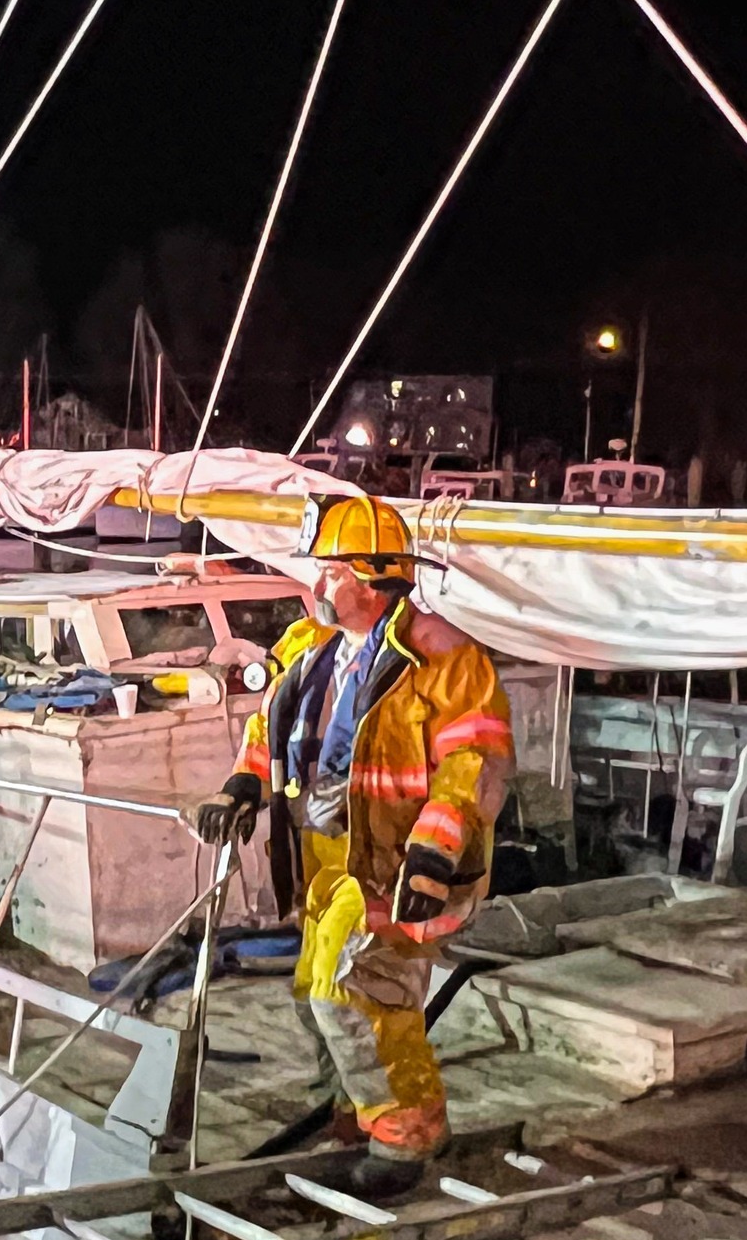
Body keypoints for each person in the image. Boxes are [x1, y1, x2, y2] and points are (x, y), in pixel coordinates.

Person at [197, 497, 513, 1198]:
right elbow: (270, 728)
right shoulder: (307, 646)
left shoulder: (444, 658)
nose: (318, 587)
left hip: (394, 860)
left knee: (361, 993)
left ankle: (407, 1133)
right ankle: (353, 1110)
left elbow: (475, 765)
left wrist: (434, 854)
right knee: (314, 987)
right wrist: (240, 788)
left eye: (332, 572)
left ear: (373, 580)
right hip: (324, 855)